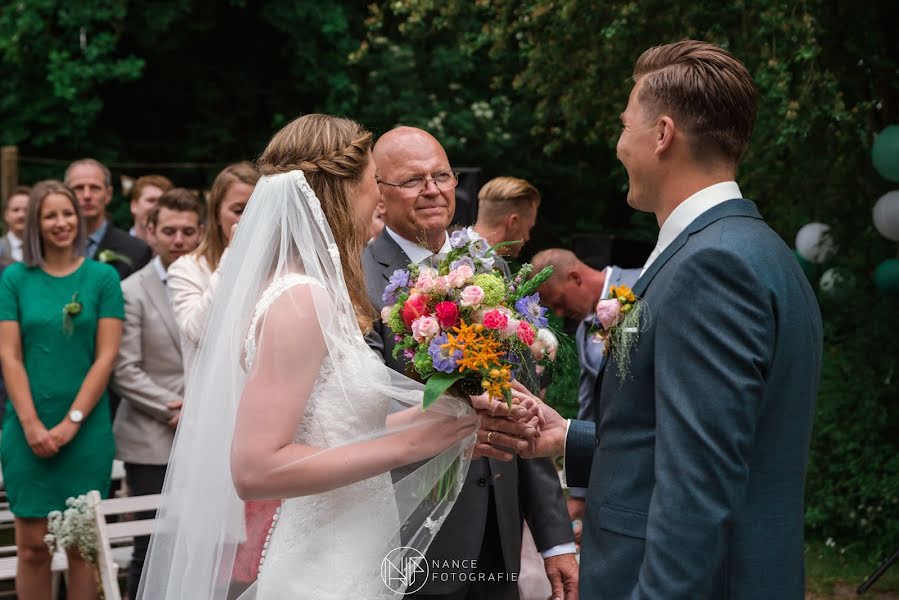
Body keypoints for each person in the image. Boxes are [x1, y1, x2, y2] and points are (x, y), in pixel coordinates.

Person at [479, 40, 824, 599]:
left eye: (624, 125)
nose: (618, 145)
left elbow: (697, 484)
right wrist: (569, 435)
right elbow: (689, 438)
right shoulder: (751, 249)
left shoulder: (712, 266)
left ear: (662, 135)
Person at [137, 114, 511, 600]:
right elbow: (255, 469)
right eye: (369, 180)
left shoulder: (315, 293)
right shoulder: (301, 300)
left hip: (356, 544)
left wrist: (450, 423)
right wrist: (410, 447)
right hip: (325, 564)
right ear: (341, 191)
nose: (377, 195)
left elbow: (341, 430)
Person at [363, 126, 578, 600]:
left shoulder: (490, 271)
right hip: (411, 530)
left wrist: (555, 537)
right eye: (412, 180)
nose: (433, 189)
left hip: (496, 530)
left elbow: (524, 405)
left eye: (441, 175)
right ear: (379, 194)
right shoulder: (360, 279)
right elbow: (362, 410)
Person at [0, 181, 124, 600]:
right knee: (33, 548)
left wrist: (71, 423)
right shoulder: (14, 279)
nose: (61, 223)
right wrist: (32, 425)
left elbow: (105, 358)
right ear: (35, 223)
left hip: (86, 431)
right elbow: (9, 355)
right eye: (50, 215)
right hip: (25, 427)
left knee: (81, 548)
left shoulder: (103, 277)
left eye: (67, 213)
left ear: (81, 218)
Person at [111, 188, 203, 596]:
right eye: (169, 230)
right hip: (152, 440)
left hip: (205, 437)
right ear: (151, 231)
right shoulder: (131, 290)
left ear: (201, 231)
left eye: (187, 230)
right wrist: (177, 409)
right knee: (150, 545)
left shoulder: (212, 282)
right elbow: (124, 369)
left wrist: (204, 411)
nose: (178, 240)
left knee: (199, 542)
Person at [529, 248, 640, 536]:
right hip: (618, 462)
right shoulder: (583, 331)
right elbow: (590, 406)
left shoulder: (643, 283)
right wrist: (578, 495)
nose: (561, 314)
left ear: (575, 277)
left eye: (560, 303)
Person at [167, 162, 258, 373]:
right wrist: (233, 254)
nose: (249, 219)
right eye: (239, 210)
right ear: (216, 214)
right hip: (212, 397)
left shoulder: (277, 267)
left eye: (256, 209)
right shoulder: (186, 269)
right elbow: (199, 332)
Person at [65, 158, 153, 279]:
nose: (87, 195)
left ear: (108, 194)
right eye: (79, 188)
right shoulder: (50, 248)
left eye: (95, 188)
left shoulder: (136, 250)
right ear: (66, 194)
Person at [470, 176, 540, 257]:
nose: (527, 238)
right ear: (513, 222)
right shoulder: (493, 265)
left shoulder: (454, 250)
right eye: (528, 228)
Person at [129, 174, 174, 241]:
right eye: (151, 200)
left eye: (162, 201)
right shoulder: (115, 247)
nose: (156, 207)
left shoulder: (178, 248)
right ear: (134, 206)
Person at [0, 186, 30, 262]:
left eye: (27, 210)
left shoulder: (47, 249)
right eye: (15, 210)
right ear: (6, 215)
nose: (21, 215)